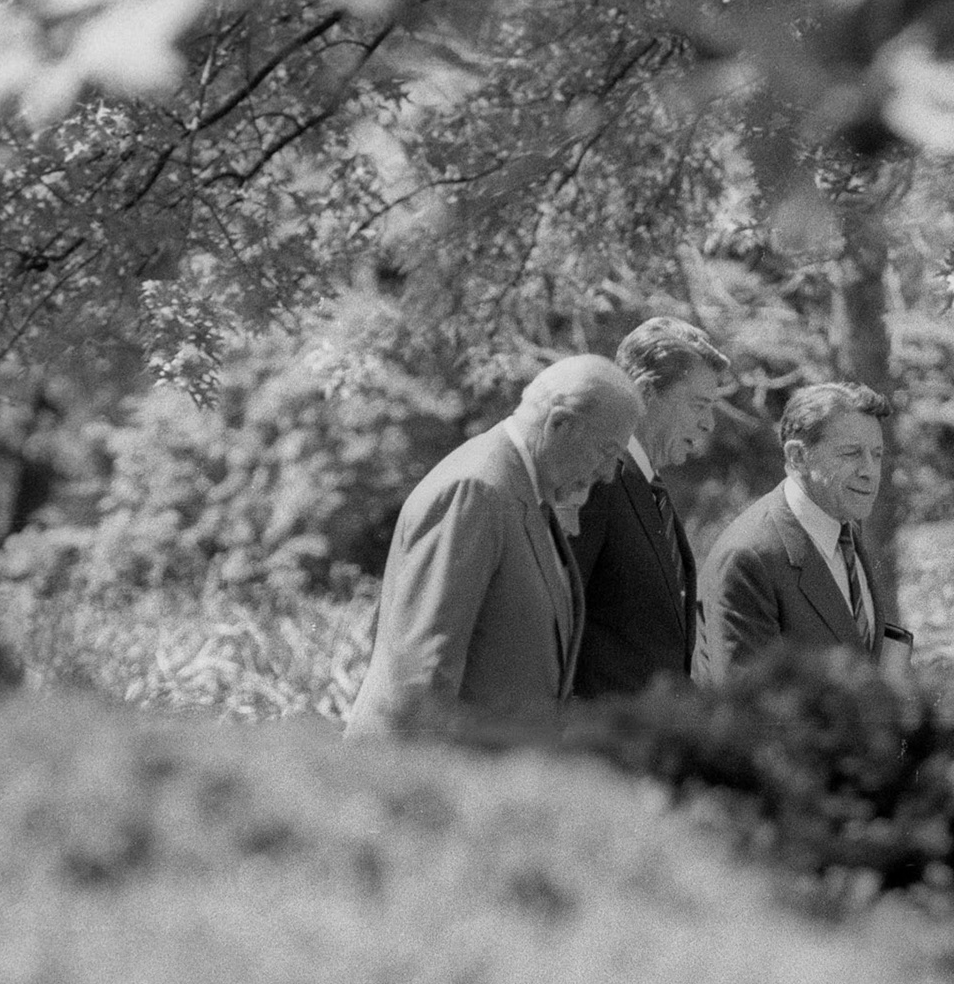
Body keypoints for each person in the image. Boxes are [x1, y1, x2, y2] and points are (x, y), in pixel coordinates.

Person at [345, 355, 643, 741]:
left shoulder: (525, 493)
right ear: (560, 423)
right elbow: (422, 675)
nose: (607, 473)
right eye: (607, 452)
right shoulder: (478, 490)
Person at [566, 317, 734, 699]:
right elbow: (560, 625)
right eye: (699, 405)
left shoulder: (651, 489)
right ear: (644, 394)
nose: (708, 424)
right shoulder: (595, 483)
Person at [693, 380, 894, 682]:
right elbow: (747, 711)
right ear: (798, 457)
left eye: (876, 454)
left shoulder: (845, 527)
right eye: (851, 453)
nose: (869, 471)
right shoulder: (749, 556)